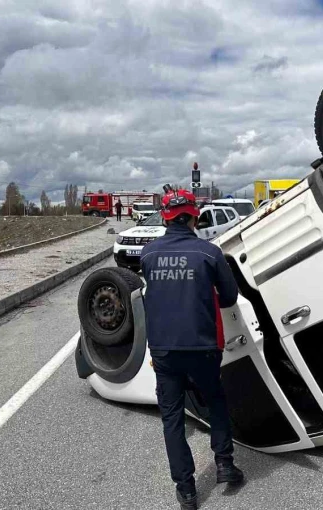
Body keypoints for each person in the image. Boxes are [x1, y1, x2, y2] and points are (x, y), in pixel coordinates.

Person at [140, 189, 244, 510]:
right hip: (203, 347)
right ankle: (224, 464)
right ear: (194, 216)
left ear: (168, 217)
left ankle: (186, 490)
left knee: (171, 417)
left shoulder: (148, 255)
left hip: (164, 351)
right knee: (215, 400)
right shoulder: (209, 253)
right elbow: (229, 298)